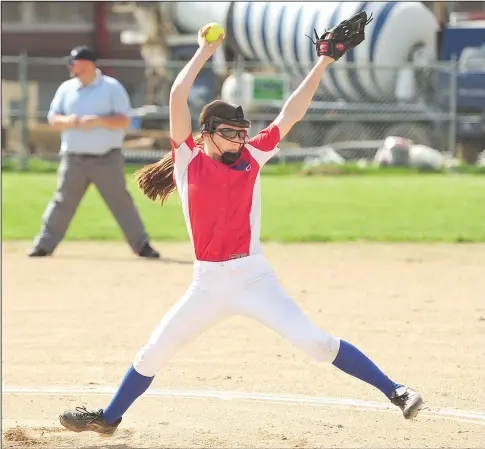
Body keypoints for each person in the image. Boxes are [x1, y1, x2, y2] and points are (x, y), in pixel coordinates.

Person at [58, 24, 423, 437]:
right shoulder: (187, 159)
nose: (239, 140)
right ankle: (108, 418)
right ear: (207, 133)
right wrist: (202, 53)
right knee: (154, 353)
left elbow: (292, 112)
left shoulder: (252, 155)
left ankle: (396, 391)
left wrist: (324, 60)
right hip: (207, 284)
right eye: (230, 133)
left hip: (254, 278)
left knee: (316, 345)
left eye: (242, 133)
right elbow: (178, 96)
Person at [28, 45, 160, 259]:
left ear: (89, 63)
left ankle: (142, 245)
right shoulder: (66, 88)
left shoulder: (111, 87)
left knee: (121, 202)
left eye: (75, 62)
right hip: (74, 158)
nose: (71, 66)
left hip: (106, 158)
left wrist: (99, 120)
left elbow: (125, 120)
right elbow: (53, 119)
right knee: (62, 201)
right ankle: (43, 245)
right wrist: (68, 121)